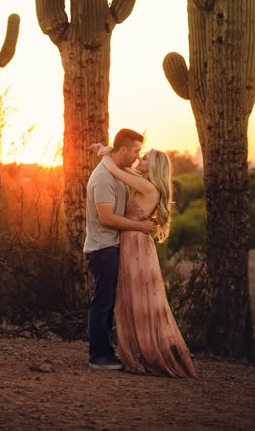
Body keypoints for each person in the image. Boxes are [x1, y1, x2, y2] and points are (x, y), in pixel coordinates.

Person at [96, 145, 197, 378]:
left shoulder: (146, 186)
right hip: (136, 241)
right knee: (134, 298)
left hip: (135, 245)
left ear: (153, 166)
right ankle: (137, 350)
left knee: (136, 299)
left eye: (144, 158)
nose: (139, 159)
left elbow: (114, 170)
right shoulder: (145, 182)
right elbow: (125, 169)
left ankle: (143, 353)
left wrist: (104, 154)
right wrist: (110, 152)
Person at [83, 129, 157, 371]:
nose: (138, 156)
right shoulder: (104, 177)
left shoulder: (121, 173)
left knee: (109, 300)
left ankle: (107, 351)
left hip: (113, 246)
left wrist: (103, 150)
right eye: (136, 150)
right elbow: (107, 218)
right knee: (103, 301)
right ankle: (98, 356)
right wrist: (141, 226)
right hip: (103, 247)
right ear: (123, 150)